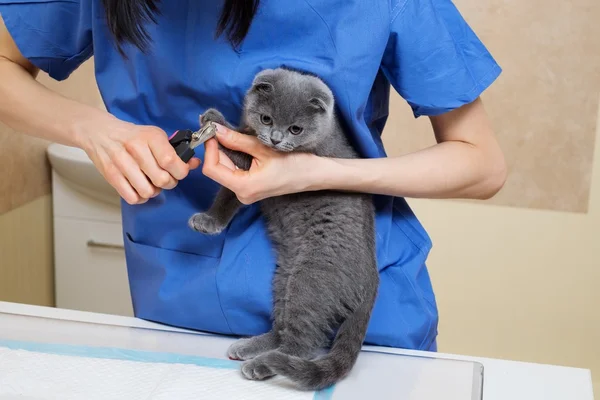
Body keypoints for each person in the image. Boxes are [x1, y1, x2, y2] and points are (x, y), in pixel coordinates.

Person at [0, 0, 506, 352]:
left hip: (356, 309)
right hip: (180, 306)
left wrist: (314, 172)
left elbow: (480, 163)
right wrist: (91, 128)